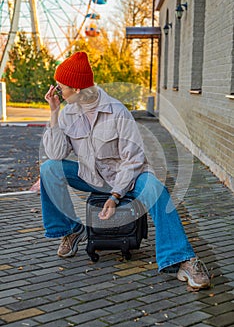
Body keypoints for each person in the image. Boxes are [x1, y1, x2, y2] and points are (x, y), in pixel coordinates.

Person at [40, 51, 210, 290]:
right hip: (93, 177)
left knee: (156, 190)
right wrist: (54, 113)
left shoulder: (117, 111)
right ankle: (70, 229)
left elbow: (134, 159)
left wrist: (115, 195)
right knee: (49, 168)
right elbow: (56, 154)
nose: (57, 91)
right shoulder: (68, 112)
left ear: (77, 89)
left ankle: (182, 259)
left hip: (129, 176)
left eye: (61, 87)